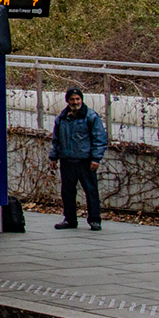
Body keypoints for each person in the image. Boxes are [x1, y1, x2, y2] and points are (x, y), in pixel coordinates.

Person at [49, 87, 108, 231]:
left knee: (91, 191)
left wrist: (95, 158)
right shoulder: (61, 118)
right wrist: (53, 157)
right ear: (67, 101)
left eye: (77, 99)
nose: (75, 102)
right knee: (67, 192)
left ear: (81, 100)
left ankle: (94, 220)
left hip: (85, 160)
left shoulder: (91, 117)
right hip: (67, 160)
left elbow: (99, 138)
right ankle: (70, 219)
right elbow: (56, 140)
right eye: (72, 99)